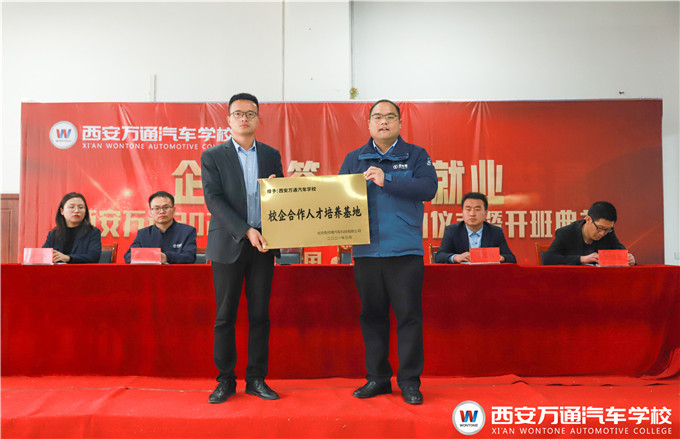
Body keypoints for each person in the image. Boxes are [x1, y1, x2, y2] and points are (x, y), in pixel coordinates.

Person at [339, 99, 438, 405]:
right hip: (366, 252)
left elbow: (428, 189)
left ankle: (409, 382)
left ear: (399, 123)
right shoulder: (354, 159)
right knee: (372, 317)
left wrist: (388, 180)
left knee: (409, 318)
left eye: (390, 117)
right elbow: (338, 199)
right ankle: (378, 378)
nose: (384, 122)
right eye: (378, 117)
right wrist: (340, 232)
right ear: (369, 124)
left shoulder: (416, 155)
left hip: (404, 251)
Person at [201, 93, 284, 404]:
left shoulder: (271, 154)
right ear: (229, 120)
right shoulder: (213, 156)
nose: (244, 118)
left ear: (258, 118)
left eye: (250, 113)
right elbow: (214, 200)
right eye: (238, 113)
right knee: (225, 316)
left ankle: (256, 379)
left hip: (263, 244)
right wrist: (245, 230)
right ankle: (225, 380)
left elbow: (281, 196)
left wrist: (279, 188)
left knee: (260, 315)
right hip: (229, 243)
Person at [542, 201, 636, 266]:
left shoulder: (609, 233)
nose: (602, 233)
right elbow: (548, 259)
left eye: (607, 229)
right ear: (588, 219)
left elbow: (622, 252)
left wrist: (630, 259)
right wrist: (581, 259)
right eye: (600, 228)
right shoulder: (566, 233)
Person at [434, 192, 516, 263]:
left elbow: (511, 258)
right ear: (462, 212)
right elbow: (439, 256)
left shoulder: (495, 232)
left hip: (487, 274)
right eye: (468, 209)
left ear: (485, 213)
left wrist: (501, 258)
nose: (472, 214)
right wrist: (456, 257)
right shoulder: (452, 231)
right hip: (461, 274)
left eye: (477, 210)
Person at [123, 191, 197, 264]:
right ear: (150, 213)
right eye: (157, 208)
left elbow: (190, 257)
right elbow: (128, 256)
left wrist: (166, 257)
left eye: (166, 207)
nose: (161, 211)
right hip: (150, 271)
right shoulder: (143, 234)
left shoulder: (187, 231)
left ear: (174, 210)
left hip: (176, 271)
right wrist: (152, 256)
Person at [42, 192, 101, 263]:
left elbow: (94, 257)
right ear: (62, 211)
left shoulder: (93, 232)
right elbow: (43, 255)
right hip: (58, 270)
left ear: (85, 211)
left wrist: (69, 258)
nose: (76, 210)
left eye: (81, 207)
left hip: (82, 270)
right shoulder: (53, 234)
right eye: (72, 207)